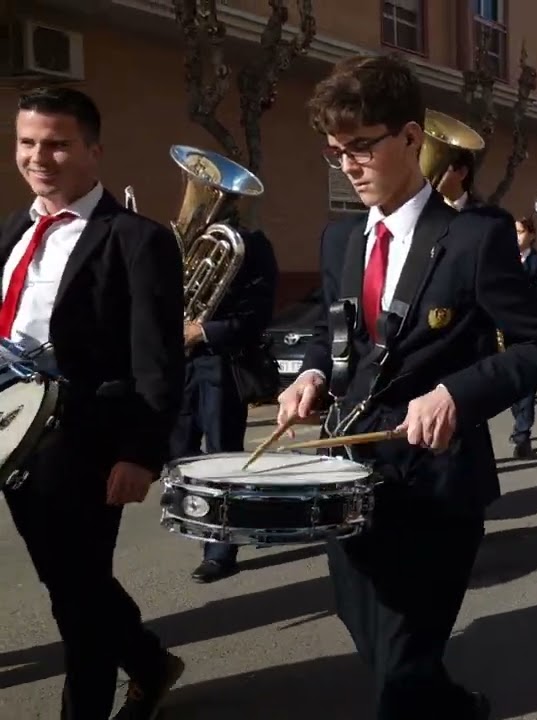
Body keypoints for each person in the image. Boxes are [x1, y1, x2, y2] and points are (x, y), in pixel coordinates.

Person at [277, 54, 537, 719]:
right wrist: (315, 375)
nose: (348, 164)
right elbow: (337, 332)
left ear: (410, 137)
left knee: (400, 674)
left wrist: (458, 394)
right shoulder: (340, 238)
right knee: (371, 635)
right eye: (335, 151)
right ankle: (451, 705)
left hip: (436, 486)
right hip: (348, 477)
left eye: (361, 146)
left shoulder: (474, 237)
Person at [1, 87, 186, 719]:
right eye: (27, 142)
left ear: (94, 151)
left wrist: (140, 453)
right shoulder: (14, 231)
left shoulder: (136, 239)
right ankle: (149, 661)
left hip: (84, 440)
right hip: (12, 431)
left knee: (77, 595)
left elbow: (157, 360)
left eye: (57, 143)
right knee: (70, 582)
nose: (38, 157)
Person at [178, 212, 279, 583]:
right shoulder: (186, 244)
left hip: (221, 364)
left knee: (223, 460)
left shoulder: (250, 245)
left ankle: (221, 551)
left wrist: (203, 331)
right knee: (178, 453)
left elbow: (258, 315)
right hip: (179, 366)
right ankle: (202, 516)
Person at [508, 215, 537, 458]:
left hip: (529, 331)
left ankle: (522, 434)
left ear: (532, 235)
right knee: (512, 385)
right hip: (506, 332)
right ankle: (519, 425)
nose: (516, 237)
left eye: (520, 232)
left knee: (526, 384)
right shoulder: (503, 261)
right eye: (513, 232)